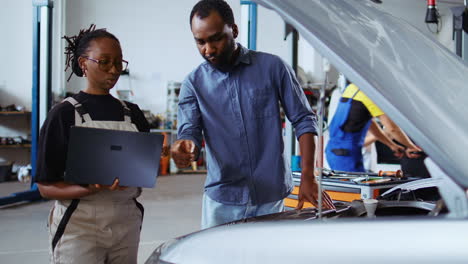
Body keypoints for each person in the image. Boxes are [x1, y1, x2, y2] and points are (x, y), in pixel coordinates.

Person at [171, 0, 335, 229]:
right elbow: (189, 132)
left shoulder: (273, 68)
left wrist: (308, 175)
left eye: (216, 38)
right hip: (222, 199)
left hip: (270, 197)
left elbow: (303, 120)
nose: (208, 50)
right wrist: (186, 147)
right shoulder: (193, 84)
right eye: (200, 42)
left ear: (234, 30)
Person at [35, 25, 150, 263]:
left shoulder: (133, 114)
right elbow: (46, 187)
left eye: (119, 63)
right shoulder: (64, 114)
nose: (114, 70)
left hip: (125, 223)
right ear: (83, 63)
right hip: (80, 225)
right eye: (105, 62)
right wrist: (90, 189)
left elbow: (142, 169)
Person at [326, 83, 422, 172]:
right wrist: (411, 147)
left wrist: (391, 145)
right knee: (357, 189)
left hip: (336, 152)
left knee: (357, 187)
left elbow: (368, 122)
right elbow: (392, 129)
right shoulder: (371, 94)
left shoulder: (353, 88)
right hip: (345, 155)